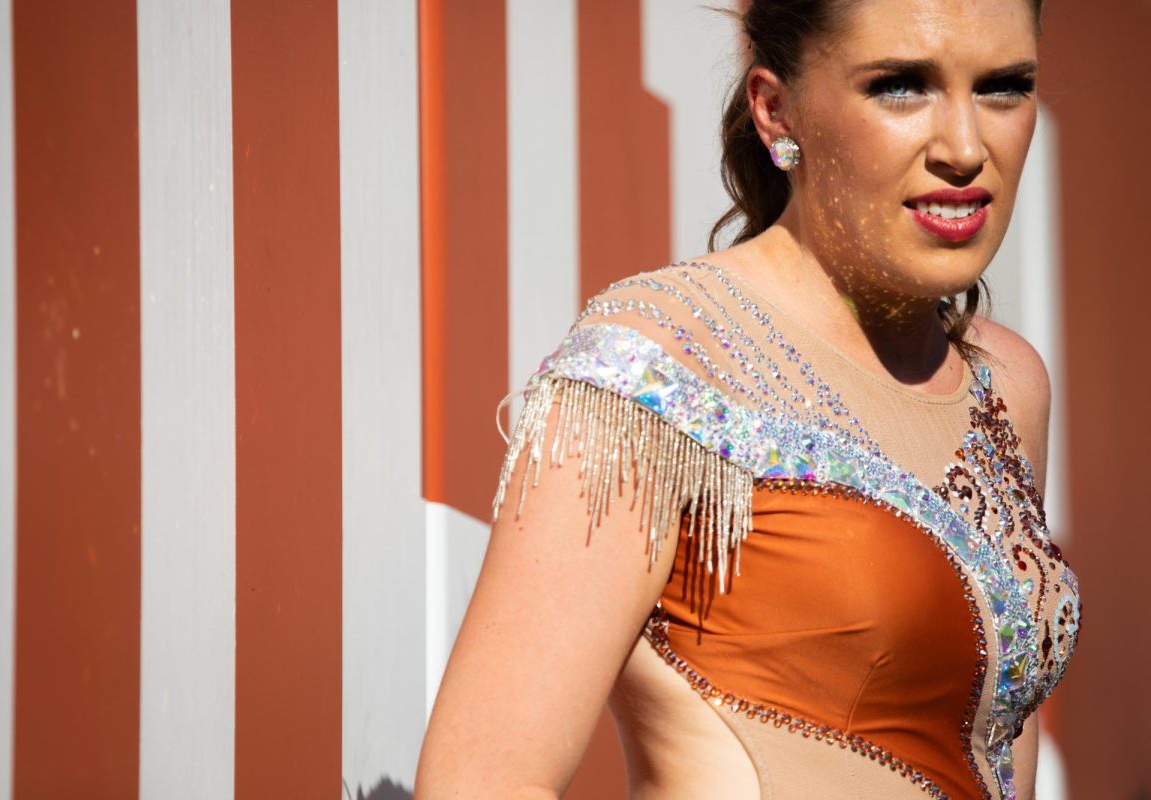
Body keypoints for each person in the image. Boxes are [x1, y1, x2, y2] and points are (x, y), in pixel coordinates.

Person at [415, 0, 1081, 797]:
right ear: (776, 110)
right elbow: (482, 780)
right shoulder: (655, 363)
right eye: (901, 87)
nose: (967, 148)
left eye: (1004, 87)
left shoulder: (1008, 386)